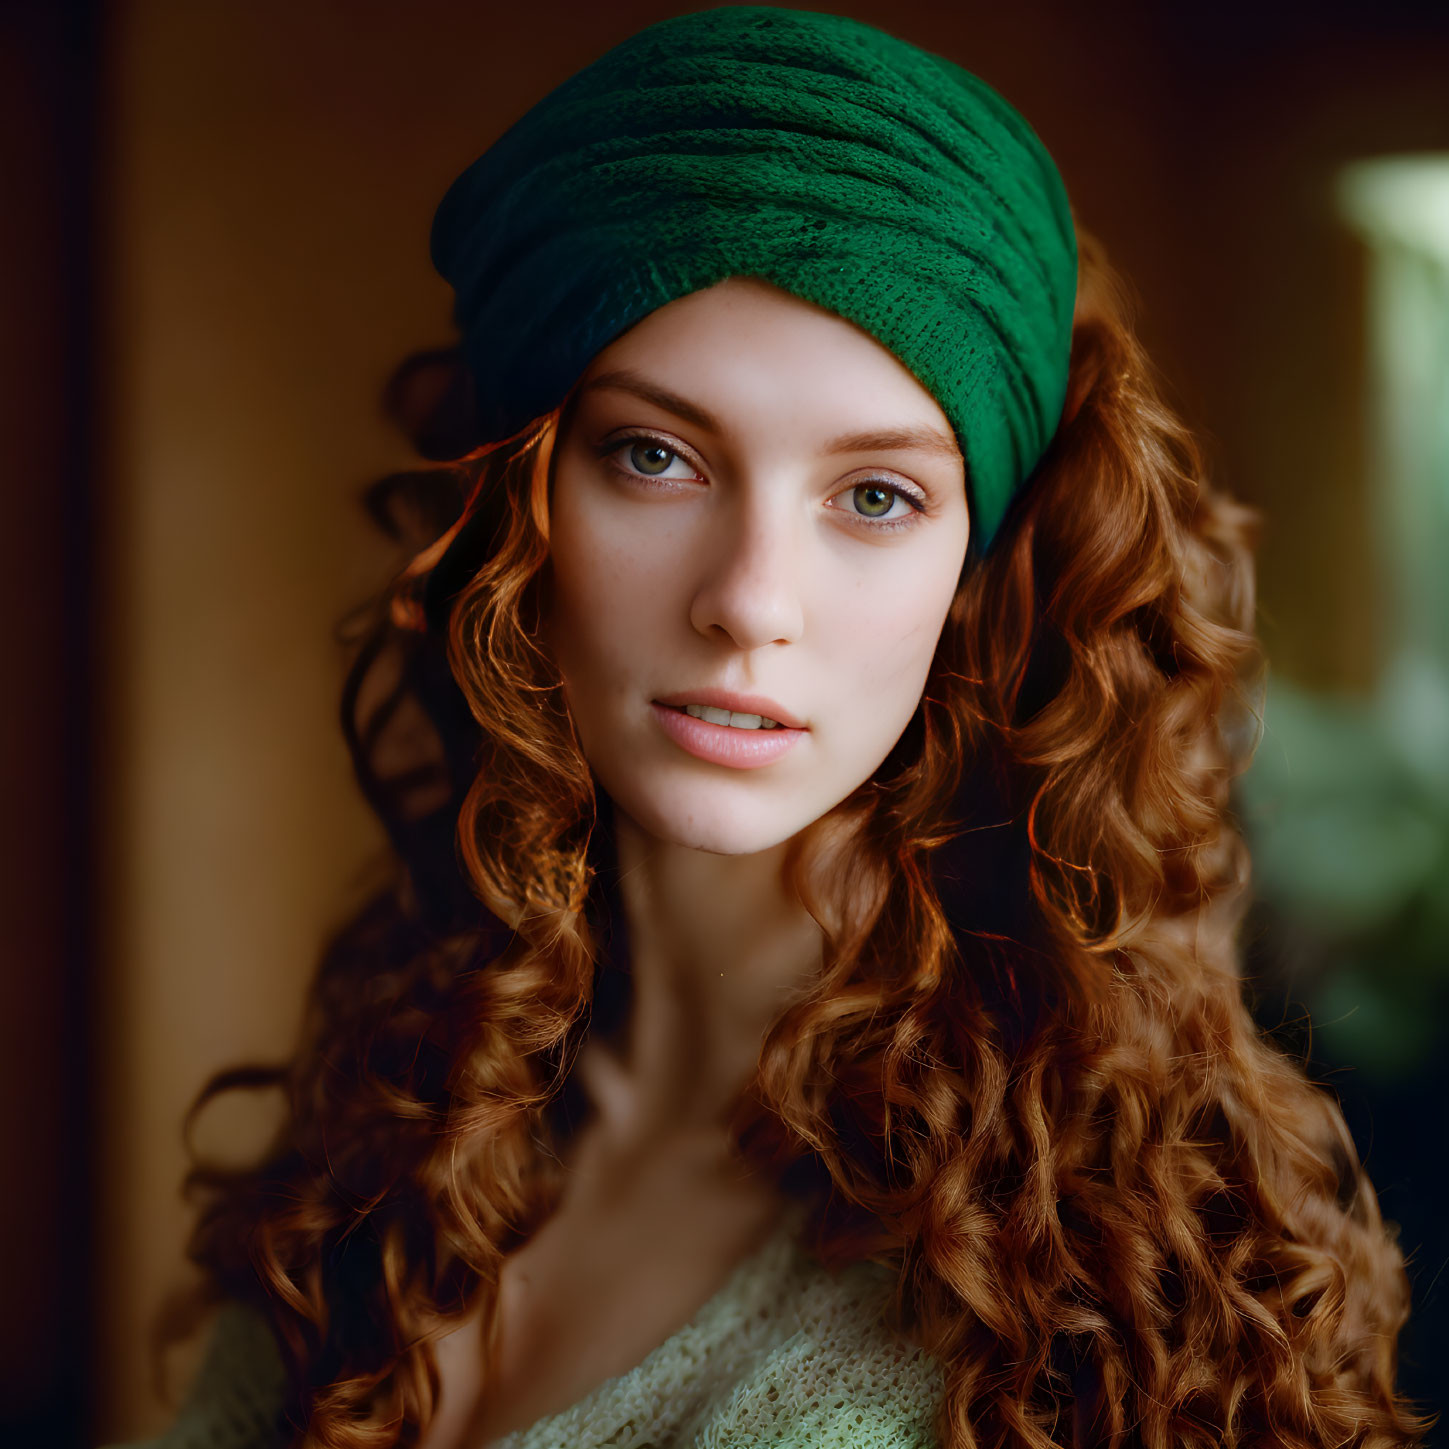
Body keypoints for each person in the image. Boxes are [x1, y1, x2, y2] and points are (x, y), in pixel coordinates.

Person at [117, 8, 1430, 1448]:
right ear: (519, 512)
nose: (750, 602)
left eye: (874, 496)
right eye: (655, 457)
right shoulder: (386, 1127)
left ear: (975, 575)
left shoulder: (1114, 1242)